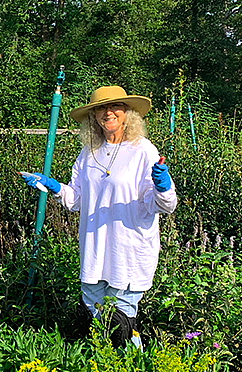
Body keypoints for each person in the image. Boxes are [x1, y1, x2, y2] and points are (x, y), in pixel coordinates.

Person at [23, 85, 177, 345]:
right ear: (93, 117)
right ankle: (96, 371)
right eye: (100, 109)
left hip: (128, 250)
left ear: (127, 112)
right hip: (95, 249)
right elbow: (78, 200)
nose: (108, 113)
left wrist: (164, 186)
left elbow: (163, 205)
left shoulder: (143, 150)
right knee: (93, 317)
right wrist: (55, 187)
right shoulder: (88, 154)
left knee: (121, 323)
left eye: (114, 107)